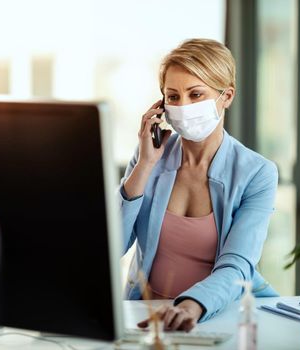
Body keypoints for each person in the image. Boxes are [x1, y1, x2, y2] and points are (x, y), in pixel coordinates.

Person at [118, 38, 278, 332]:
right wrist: (144, 166)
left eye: (195, 94)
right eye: (173, 97)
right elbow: (113, 244)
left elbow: (238, 263)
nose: (183, 106)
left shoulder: (258, 173)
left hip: (221, 312)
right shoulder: (147, 158)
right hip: (148, 313)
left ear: (226, 96)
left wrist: (190, 306)